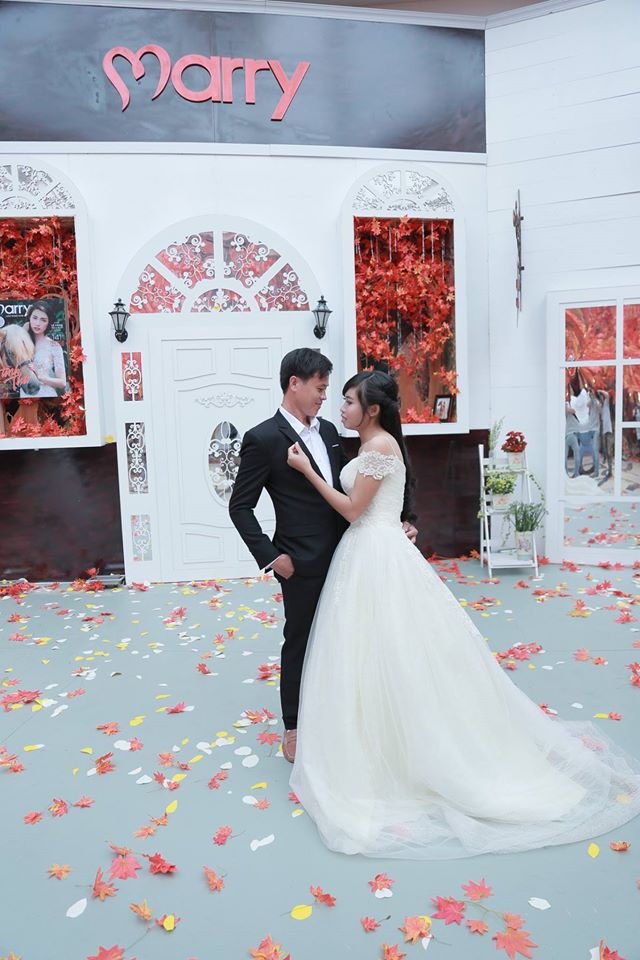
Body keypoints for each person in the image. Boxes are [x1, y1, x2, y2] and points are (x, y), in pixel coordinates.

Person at [288, 369, 640, 859]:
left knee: (389, 646)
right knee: (371, 648)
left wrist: (306, 471)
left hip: (375, 553)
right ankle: (372, 737)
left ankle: (404, 748)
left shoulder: (380, 446)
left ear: (371, 409)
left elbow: (352, 510)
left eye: (348, 400)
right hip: (369, 551)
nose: (340, 407)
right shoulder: (371, 444)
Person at [228, 349, 418, 763]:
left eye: (330, 389)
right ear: (294, 383)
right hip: (300, 562)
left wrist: (403, 519)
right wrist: (273, 557)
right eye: (319, 387)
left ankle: (345, 718)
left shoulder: (331, 430)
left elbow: (364, 485)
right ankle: (294, 726)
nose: (324, 396)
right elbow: (239, 507)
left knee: (350, 640)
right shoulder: (263, 438)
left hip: (352, 554)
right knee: (300, 640)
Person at [20, 300, 66, 398]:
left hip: (46, 395)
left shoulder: (54, 346)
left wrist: (41, 377)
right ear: (29, 319)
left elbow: (62, 383)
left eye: (43, 320)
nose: (37, 323)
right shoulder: (21, 343)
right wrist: (23, 331)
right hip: (24, 395)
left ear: (48, 323)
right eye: (35, 318)